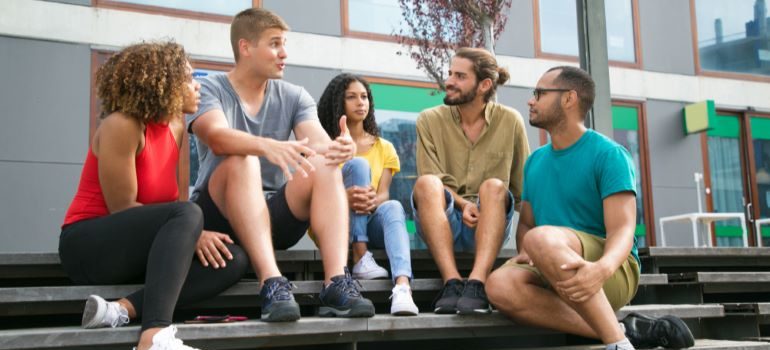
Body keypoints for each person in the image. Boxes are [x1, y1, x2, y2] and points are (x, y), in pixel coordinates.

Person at [485, 66, 694, 350]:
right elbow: (527, 225)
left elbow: (623, 229)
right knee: (498, 285)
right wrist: (528, 252)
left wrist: (601, 269)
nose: (531, 101)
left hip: (610, 270)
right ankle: (625, 330)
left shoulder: (609, 155)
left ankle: (617, 344)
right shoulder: (535, 162)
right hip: (550, 263)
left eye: (540, 93)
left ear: (569, 98)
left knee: (541, 239)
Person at [187, 8, 374, 321]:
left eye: (284, 44)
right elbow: (217, 137)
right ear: (246, 47)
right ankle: (272, 283)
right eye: (275, 44)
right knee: (242, 160)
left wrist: (339, 148)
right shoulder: (209, 88)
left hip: (272, 216)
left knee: (322, 164)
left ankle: (336, 283)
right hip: (218, 217)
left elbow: (317, 144)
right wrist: (265, 146)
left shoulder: (295, 96)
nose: (284, 53)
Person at [59, 42, 247, 350]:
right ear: (163, 82)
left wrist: (189, 234)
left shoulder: (174, 127)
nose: (197, 84)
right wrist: (190, 229)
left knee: (234, 259)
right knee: (188, 212)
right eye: (188, 78)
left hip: (136, 249)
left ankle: (120, 309)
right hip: (88, 247)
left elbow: (164, 206)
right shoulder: (122, 125)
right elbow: (122, 208)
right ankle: (154, 336)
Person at [412, 47, 530, 314]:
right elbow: (432, 179)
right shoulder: (429, 120)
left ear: (484, 85)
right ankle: (452, 282)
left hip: (491, 222)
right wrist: (464, 205)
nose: (449, 81)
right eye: (450, 73)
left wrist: (527, 249)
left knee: (494, 186)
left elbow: (523, 191)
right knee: (426, 183)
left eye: (460, 76)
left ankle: (477, 282)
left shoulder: (510, 121)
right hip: (444, 219)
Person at [317, 73, 419, 316]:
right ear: (338, 103)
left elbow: (382, 194)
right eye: (351, 97)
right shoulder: (325, 144)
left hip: (370, 221)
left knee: (393, 206)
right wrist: (343, 198)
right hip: (334, 225)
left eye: (364, 97)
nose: (360, 102)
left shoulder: (385, 147)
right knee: (359, 167)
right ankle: (360, 255)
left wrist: (372, 199)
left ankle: (403, 288)